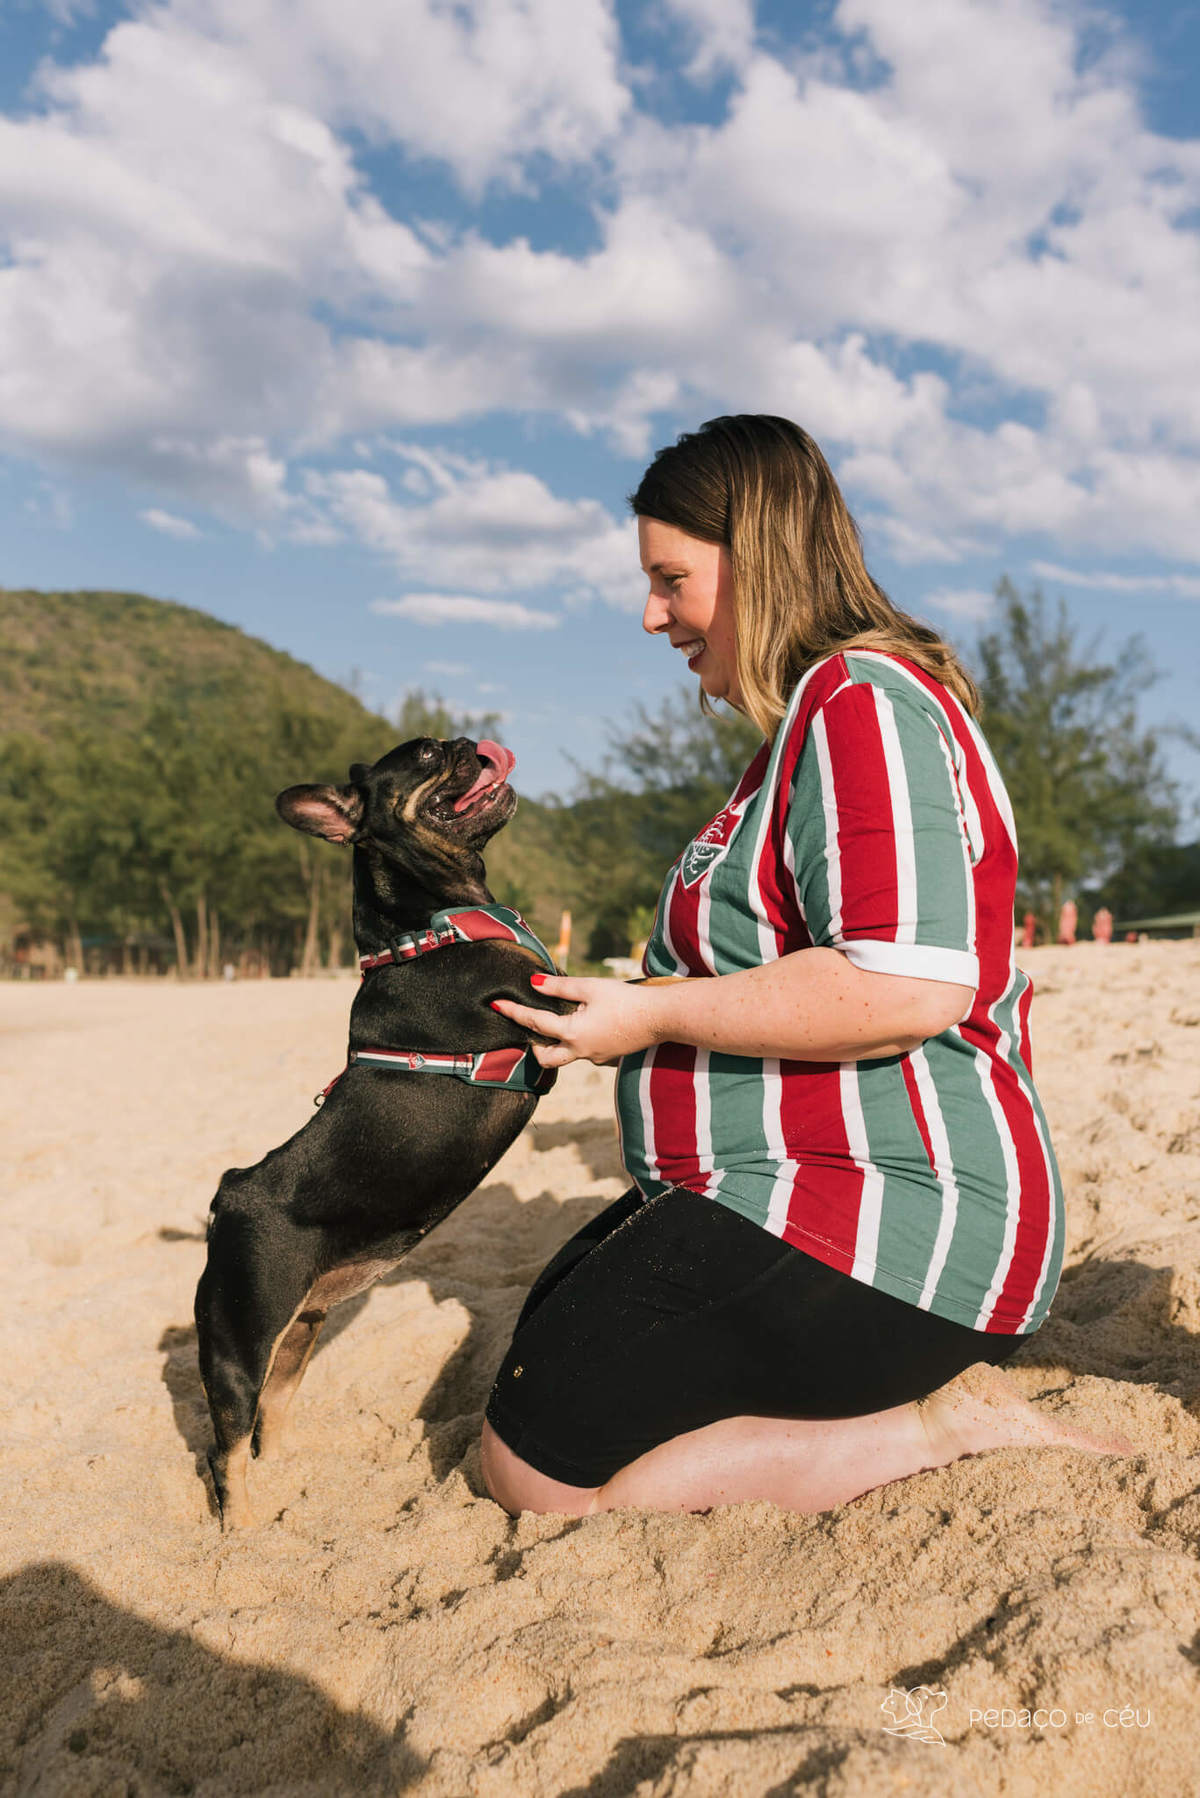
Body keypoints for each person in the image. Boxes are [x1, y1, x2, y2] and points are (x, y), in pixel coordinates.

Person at [483, 415, 1129, 1518]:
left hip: (894, 1215)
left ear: (760, 553)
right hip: (787, 1191)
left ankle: (935, 1431)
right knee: (544, 1373)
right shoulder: (806, 728)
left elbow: (903, 985)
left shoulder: (862, 703)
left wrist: (648, 1018)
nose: (652, 615)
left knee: (531, 1470)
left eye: (670, 579)